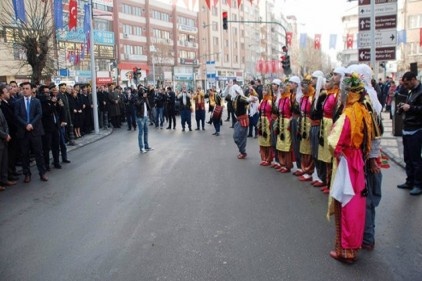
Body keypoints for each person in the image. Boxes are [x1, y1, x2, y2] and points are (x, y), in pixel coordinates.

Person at [327, 73, 373, 264]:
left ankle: (344, 250)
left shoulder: (347, 114)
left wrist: (336, 150)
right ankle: (352, 247)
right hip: (357, 162)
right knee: (356, 205)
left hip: (346, 162)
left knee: (344, 203)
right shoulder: (363, 110)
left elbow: (334, 142)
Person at [14, 82, 48, 183]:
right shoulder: (18, 102)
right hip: (23, 132)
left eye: (27, 88)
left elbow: (39, 114)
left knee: (39, 153)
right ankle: (27, 174)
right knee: (25, 154)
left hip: (35, 131)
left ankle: (42, 173)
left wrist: (31, 124)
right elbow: (17, 116)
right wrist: (25, 125)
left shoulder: (36, 101)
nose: (25, 90)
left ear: (31, 89)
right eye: (23, 88)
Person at [396, 71, 422, 196]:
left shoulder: (420, 91)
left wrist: (410, 108)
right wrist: (402, 107)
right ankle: (410, 181)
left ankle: (418, 184)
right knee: (408, 158)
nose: (405, 87)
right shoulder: (411, 91)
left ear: (413, 79)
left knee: (416, 159)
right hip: (408, 128)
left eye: (407, 84)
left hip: (416, 129)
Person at [232, 81, 258, 159]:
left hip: (243, 120)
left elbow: (249, 99)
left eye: (232, 90)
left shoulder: (240, 97)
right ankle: (242, 150)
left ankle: (243, 152)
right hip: (238, 120)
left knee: (241, 137)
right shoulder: (235, 98)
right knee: (236, 137)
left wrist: (252, 98)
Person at [257, 85, 274, 166]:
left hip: (267, 121)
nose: (264, 92)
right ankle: (263, 158)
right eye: (263, 90)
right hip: (261, 121)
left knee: (267, 140)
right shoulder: (262, 100)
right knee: (262, 140)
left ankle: (268, 159)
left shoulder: (270, 101)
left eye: (266, 90)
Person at [135, 88, 153, 153]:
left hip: (145, 117)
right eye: (144, 92)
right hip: (140, 117)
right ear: (141, 93)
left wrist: (146, 99)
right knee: (140, 133)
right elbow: (138, 105)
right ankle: (141, 148)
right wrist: (143, 98)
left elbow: (149, 107)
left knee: (146, 132)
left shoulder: (145, 99)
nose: (145, 93)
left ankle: (146, 146)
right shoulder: (137, 98)